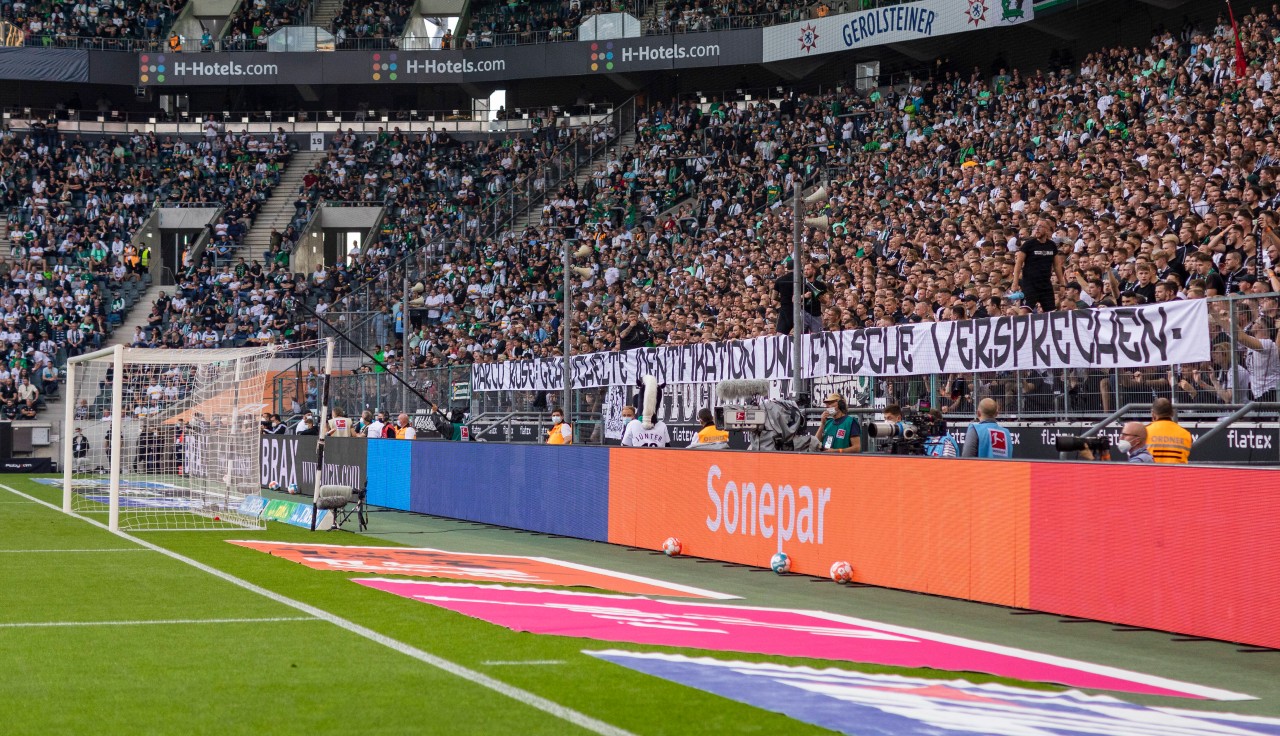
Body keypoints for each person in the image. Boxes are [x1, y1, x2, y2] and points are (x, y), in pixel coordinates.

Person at [1011, 219, 1066, 313]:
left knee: (1051, 313)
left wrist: (1062, 284)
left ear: (1048, 230)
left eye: (1040, 227)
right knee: (1024, 311)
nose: (1037, 229)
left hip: (1046, 285)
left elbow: (1057, 266)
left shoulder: (1052, 245)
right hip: (1030, 284)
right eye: (1036, 227)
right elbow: (1018, 264)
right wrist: (1015, 282)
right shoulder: (1028, 244)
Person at [1146, 398, 1191, 464]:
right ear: (1172, 413)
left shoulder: (1145, 432)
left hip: (1153, 472)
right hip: (1178, 472)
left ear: (1153, 414)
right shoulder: (1185, 433)